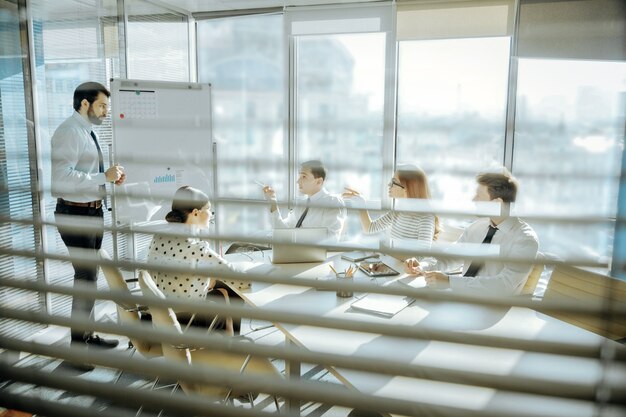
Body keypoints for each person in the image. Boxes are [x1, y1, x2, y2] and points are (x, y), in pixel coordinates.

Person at [52, 81, 126, 358]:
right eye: (102, 105)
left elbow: (85, 174)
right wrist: (100, 177)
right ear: (85, 104)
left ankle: (88, 335)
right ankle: (77, 347)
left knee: (90, 277)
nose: (106, 111)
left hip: (91, 210)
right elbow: (61, 178)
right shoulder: (70, 132)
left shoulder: (86, 131)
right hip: (75, 213)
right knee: (85, 278)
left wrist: (108, 180)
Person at [404, 169, 539, 295]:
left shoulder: (525, 239)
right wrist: (422, 266)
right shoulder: (477, 227)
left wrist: (449, 282)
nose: (473, 200)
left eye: (479, 196)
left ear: (497, 203)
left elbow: (504, 285)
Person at [146, 186, 247, 334]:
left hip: (161, 315)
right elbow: (240, 280)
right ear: (195, 212)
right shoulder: (195, 247)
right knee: (233, 291)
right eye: (209, 209)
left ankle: (230, 343)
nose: (211, 215)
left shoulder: (159, 236)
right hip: (187, 320)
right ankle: (230, 347)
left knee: (222, 289)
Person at [342, 164, 438, 246]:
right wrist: (361, 203)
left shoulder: (426, 217)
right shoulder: (398, 212)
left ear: (407, 188)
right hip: (392, 264)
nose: (389, 185)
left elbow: (421, 257)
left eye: (394, 182)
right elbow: (369, 228)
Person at [262, 160, 346, 240]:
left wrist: (296, 237)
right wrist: (273, 202)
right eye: (299, 176)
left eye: (304, 177)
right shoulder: (301, 205)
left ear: (319, 182)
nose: (298, 181)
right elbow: (282, 231)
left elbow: (331, 239)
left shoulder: (333, 202)